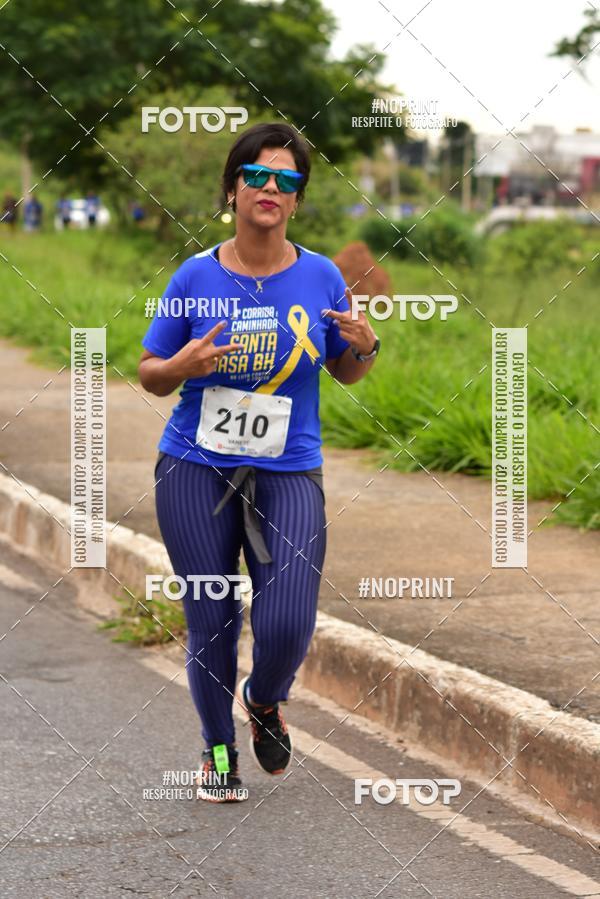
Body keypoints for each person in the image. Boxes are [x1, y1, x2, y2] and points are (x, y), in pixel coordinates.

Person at [138, 122, 380, 803]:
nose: (272, 188)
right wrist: (181, 364)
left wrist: (364, 346)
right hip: (195, 465)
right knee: (210, 614)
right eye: (259, 175)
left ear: (298, 200)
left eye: (288, 180)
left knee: (287, 618)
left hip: (288, 466)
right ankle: (218, 749)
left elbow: (347, 370)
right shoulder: (195, 274)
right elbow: (151, 372)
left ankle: (265, 697)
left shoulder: (322, 275)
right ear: (234, 188)